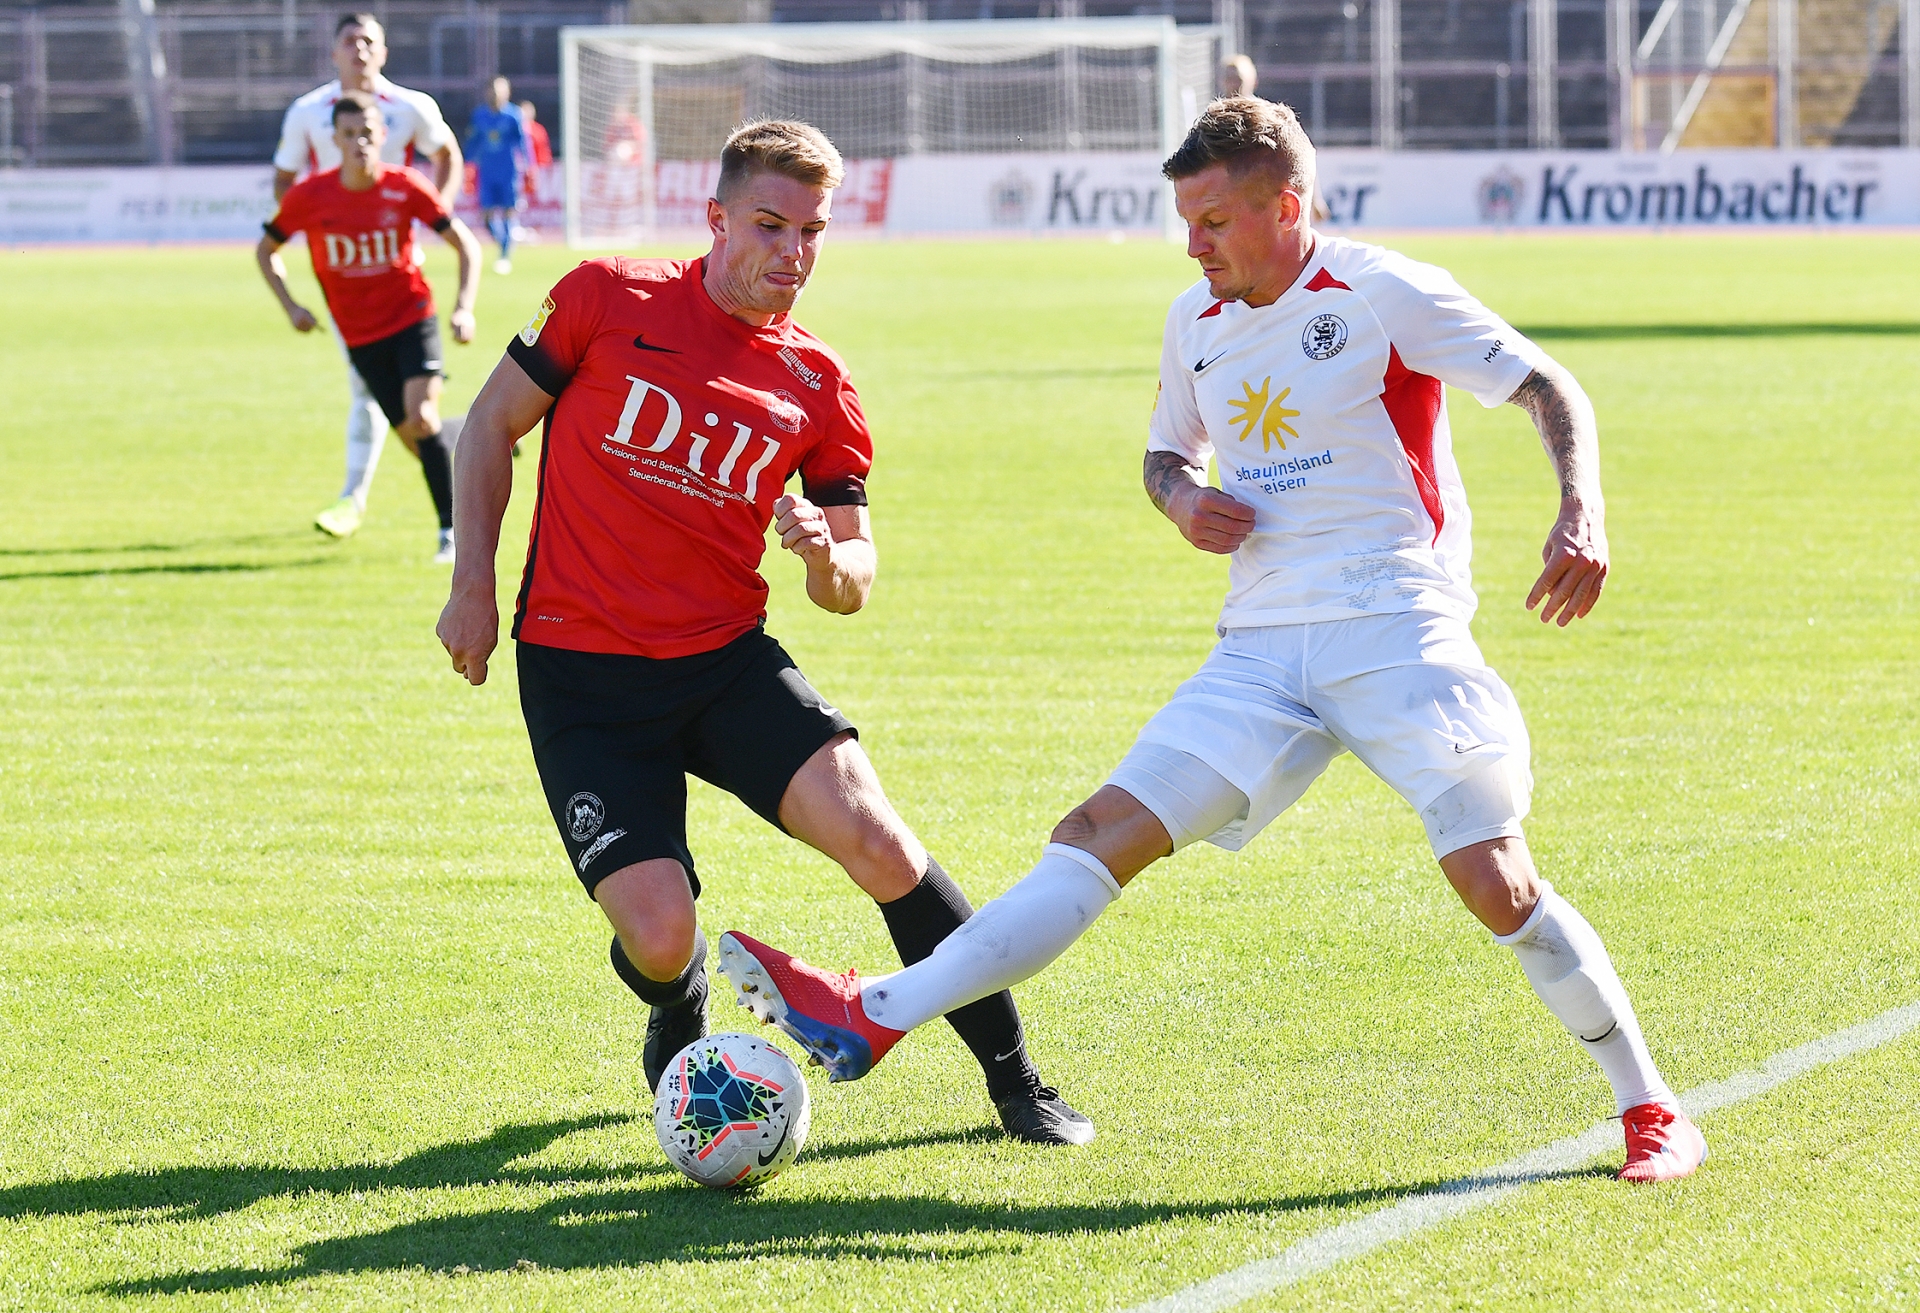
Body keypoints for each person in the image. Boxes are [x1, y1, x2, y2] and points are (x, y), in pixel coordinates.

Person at [716, 97, 1711, 1185]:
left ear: (1288, 207)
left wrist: (1582, 510)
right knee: (1096, 830)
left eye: (1214, 221)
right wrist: (1183, 499)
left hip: (1394, 623)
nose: (1193, 245)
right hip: (1261, 647)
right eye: (1185, 221)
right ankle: (873, 1013)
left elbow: (1546, 385)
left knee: (1495, 878)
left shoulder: (1382, 291)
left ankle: (1651, 1105)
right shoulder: (1196, 318)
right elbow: (1164, 457)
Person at [432, 120, 1094, 1145]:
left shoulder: (816, 382)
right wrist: (472, 582)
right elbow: (488, 425)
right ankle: (677, 991)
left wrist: (828, 560)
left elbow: (854, 575)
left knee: (884, 844)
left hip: (724, 665)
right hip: (580, 672)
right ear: (717, 217)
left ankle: (1017, 1080)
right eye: (769, 225)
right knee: (660, 934)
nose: (793, 252)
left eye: (812, 232)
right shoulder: (605, 297)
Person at [258, 93, 482, 564]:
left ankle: (451, 535)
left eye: (367, 133)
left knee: (421, 418)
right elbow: (266, 250)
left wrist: (463, 307)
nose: (359, 142)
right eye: (349, 134)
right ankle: (474, 434)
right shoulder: (310, 196)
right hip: (360, 335)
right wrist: (291, 307)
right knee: (417, 438)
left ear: (382, 135)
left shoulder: (405, 186)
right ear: (334, 140)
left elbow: (465, 245)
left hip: (412, 317)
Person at [467, 77, 527, 275]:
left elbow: (522, 142)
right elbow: (473, 141)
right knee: (486, 215)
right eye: (492, 90)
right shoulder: (479, 115)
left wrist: (529, 165)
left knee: (509, 211)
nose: (495, 94)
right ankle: (503, 243)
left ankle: (504, 255)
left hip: (508, 171)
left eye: (499, 90)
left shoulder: (513, 115)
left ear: (507, 92)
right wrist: (467, 163)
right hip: (487, 171)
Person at [518, 99, 553, 211]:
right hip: (519, 168)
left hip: (537, 168)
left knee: (540, 196)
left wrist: (542, 165)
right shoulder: (515, 129)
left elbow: (543, 149)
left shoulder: (538, 130)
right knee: (519, 196)